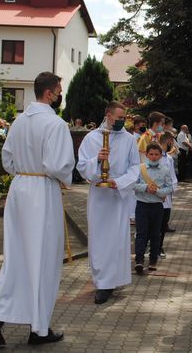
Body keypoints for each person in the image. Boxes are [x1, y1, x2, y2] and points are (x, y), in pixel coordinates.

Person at [0, 72, 75, 346]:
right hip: (42, 192)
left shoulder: (19, 121)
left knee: (18, 257)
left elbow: (7, 159)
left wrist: (24, 171)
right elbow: (59, 166)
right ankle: (38, 329)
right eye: (59, 91)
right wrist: (62, 178)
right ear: (49, 93)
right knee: (42, 260)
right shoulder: (56, 125)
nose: (60, 96)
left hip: (20, 188)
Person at [77, 101, 140, 305]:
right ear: (108, 115)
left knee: (117, 240)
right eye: (119, 118)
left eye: (124, 118)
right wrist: (96, 159)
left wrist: (119, 182)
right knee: (100, 239)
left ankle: (113, 280)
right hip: (99, 197)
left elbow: (134, 167)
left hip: (118, 196)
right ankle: (102, 283)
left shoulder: (129, 140)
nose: (122, 121)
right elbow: (81, 166)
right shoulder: (92, 138)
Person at [133, 143, 175, 273]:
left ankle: (153, 260)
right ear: (146, 155)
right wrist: (145, 187)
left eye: (157, 154)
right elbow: (133, 184)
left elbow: (170, 187)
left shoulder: (165, 170)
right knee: (141, 233)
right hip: (142, 205)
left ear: (161, 156)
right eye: (151, 154)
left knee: (155, 234)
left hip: (157, 206)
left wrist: (159, 191)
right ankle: (139, 260)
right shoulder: (140, 169)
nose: (154, 157)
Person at [157, 131, 179, 258]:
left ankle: (159, 247)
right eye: (172, 141)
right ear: (169, 141)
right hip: (155, 196)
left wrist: (172, 188)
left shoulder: (169, 159)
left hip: (167, 198)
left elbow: (172, 177)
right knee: (155, 224)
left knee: (163, 224)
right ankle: (153, 247)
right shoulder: (155, 156)